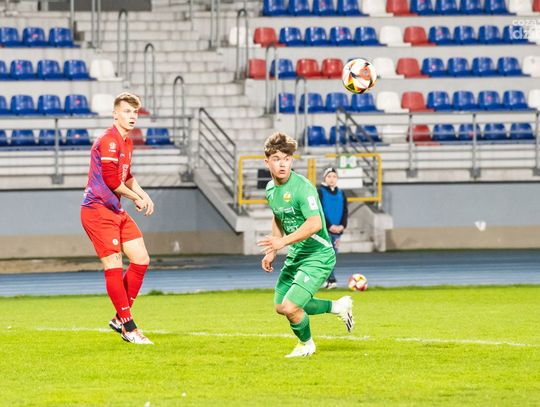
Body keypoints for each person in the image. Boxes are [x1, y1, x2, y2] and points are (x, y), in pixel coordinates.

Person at [257, 132, 355, 358]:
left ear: (292, 160)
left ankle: (307, 345)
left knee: (291, 307)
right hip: (297, 253)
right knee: (281, 306)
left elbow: (315, 223)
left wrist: (282, 241)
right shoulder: (271, 189)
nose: (282, 164)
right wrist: (273, 250)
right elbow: (278, 216)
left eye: (286, 159)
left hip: (318, 254)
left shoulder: (302, 187)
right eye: (276, 159)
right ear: (267, 162)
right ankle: (338, 307)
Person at [80, 92, 154, 345]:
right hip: (97, 210)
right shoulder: (109, 141)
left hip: (114, 210)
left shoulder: (127, 142)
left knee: (141, 258)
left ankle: (118, 318)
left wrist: (144, 194)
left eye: (135, 112)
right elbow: (112, 181)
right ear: (115, 114)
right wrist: (135, 198)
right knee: (113, 264)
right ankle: (129, 327)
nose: (132, 116)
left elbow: (126, 175)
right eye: (126, 111)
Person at [318, 167, 348, 289]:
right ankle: (330, 279)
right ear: (324, 178)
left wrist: (342, 225)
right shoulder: (320, 192)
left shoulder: (341, 193)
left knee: (333, 255)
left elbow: (345, 210)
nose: (332, 179)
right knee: (326, 255)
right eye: (329, 176)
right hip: (324, 230)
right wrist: (329, 226)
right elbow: (319, 211)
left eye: (334, 176)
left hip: (337, 230)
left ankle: (327, 279)